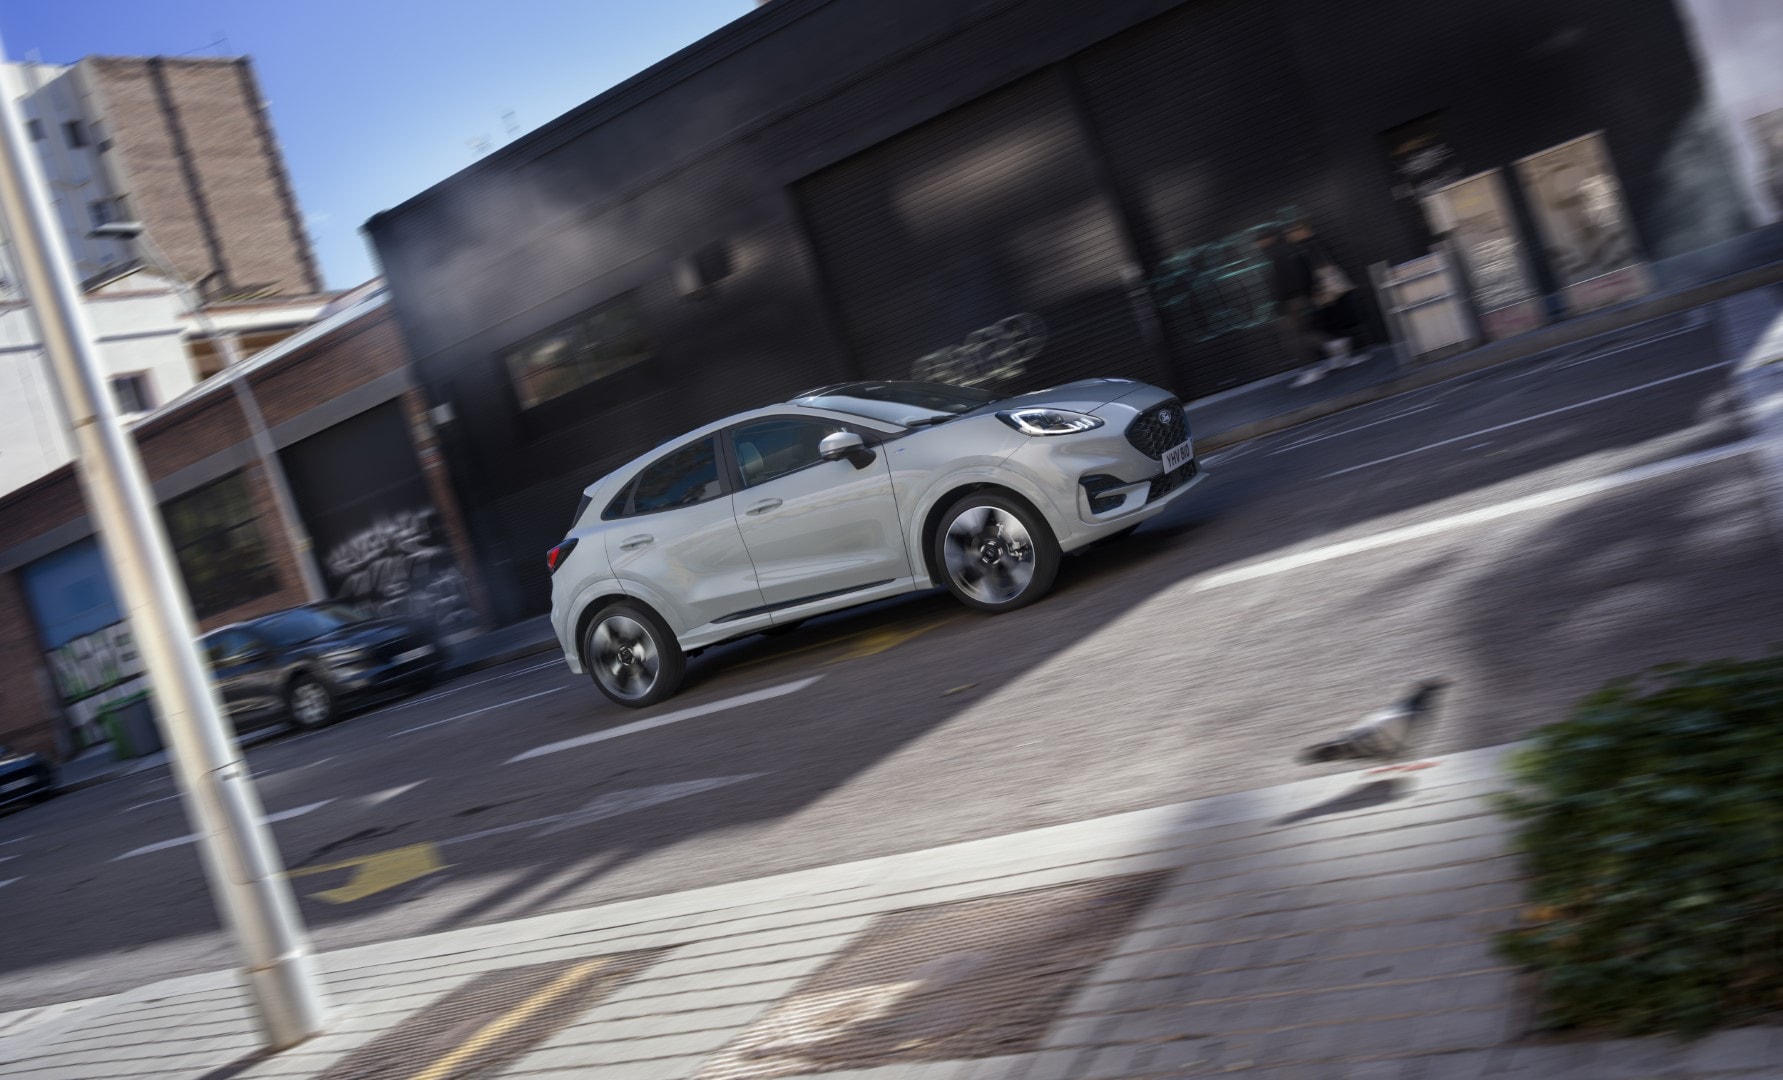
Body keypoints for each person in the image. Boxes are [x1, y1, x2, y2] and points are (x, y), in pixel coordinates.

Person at [1284, 220, 1366, 386]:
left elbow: (1318, 271)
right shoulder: (1308, 246)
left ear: (1303, 230)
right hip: (1326, 292)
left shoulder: (1307, 247)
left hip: (1326, 292)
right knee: (1330, 323)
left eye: (1293, 232)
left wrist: (1313, 292)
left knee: (1329, 323)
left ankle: (1341, 357)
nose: (1291, 236)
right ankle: (1341, 357)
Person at [1258, 228, 1323, 377]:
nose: (1258, 245)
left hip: (1290, 301)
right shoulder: (1288, 250)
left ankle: (1311, 368)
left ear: (1268, 238)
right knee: (1303, 331)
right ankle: (1333, 345)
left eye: (1260, 240)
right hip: (1298, 297)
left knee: (1291, 337)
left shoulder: (1276, 254)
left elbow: (1281, 281)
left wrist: (1282, 302)